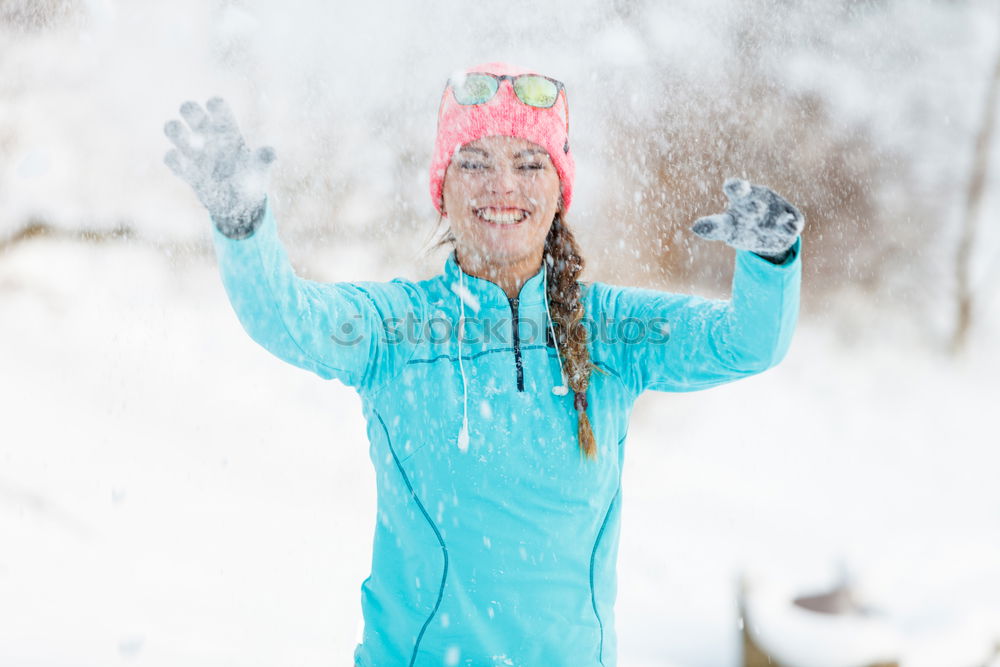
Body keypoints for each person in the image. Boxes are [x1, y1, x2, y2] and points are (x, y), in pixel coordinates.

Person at [163, 61, 804, 667]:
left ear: (560, 191)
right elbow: (288, 317)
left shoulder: (610, 330)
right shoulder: (398, 329)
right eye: (475, 162)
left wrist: (772, 261)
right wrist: (243, 223)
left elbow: (745, 343)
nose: (502, 185)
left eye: (529, 163)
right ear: (442, 190)